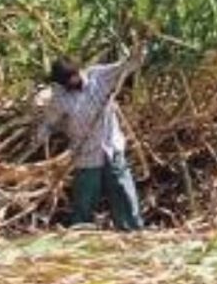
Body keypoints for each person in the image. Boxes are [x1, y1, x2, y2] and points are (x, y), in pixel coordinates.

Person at [36, 42, 146, 231]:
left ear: (78, 71)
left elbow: (127, 65)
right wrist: (42, 134)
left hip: (111, 148)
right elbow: (50, 122)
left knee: (124, 193)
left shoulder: (100, 76)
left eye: (72, 77)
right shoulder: (60, 96)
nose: (71, 83)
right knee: (84, 200)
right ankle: (81, 233)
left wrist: (139, 52)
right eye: (66, 82)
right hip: (85, 156)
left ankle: (133, 231)